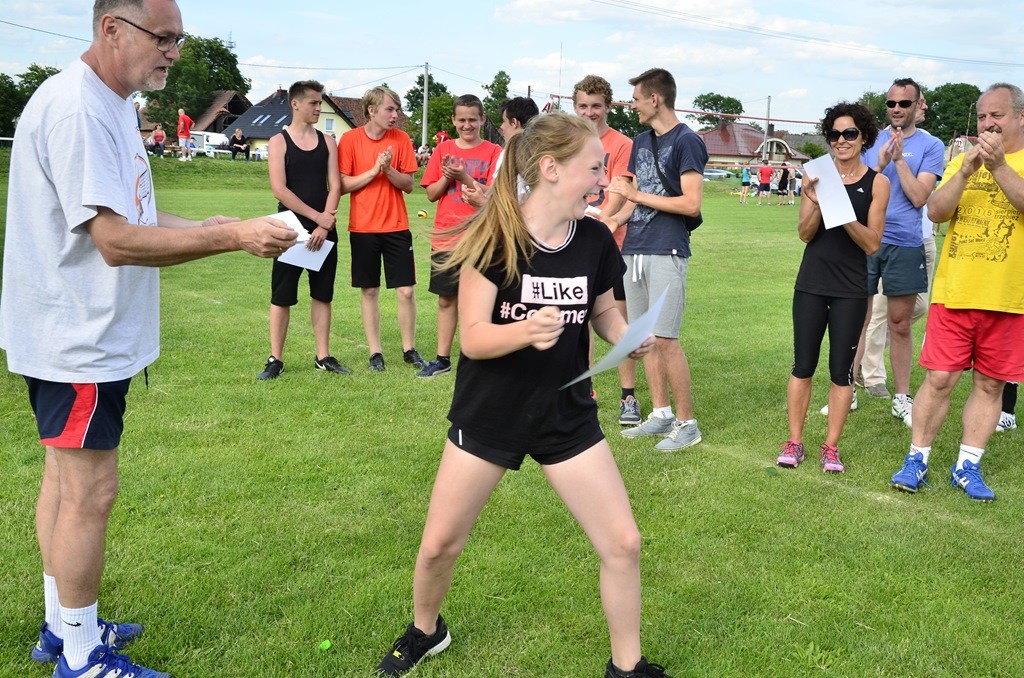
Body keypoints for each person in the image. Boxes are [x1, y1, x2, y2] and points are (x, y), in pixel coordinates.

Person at [0, 2, 297, 677]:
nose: (174, 52)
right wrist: (232, 237)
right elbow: (114, 240)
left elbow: (128, 208)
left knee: (64, 482)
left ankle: (62, 628)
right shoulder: (79, 108)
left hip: (79, 330)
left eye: (179, 39)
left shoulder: (110, 103)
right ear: (112, 29)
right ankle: (82, 657)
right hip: (78, 336)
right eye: (163, 38)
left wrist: (204, 225)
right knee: (88, 491)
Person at [374, 111, 669, 678]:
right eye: (594, 168)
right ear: (552, 168)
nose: (603, 180)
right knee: (439, 546)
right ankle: (426, 631)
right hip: (492, 414)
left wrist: (626, 336)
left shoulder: (594, 238)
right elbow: (475, 338)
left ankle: (627, 667)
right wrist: (526, 330)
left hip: (566, 415)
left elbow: (604, 311)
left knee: (623, 543)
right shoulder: (495, 236)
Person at [891, 83, 1024, 501]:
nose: (988, 124)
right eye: (982, 117)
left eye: (997, 115)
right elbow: (935, 210)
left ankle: (968, 466)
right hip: (955, 291)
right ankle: (917, 458)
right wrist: (967, 171)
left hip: (1008, 297)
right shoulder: (961, 162)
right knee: (939, 379)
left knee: (990, 385)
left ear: (1020, 117)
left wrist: (998, 167)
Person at [776, 102, 888, 472]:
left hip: (851, 289)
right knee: (802, 365)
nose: (841, 140)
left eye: (849, 133)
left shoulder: (878, 183)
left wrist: (841, 210)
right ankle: (795, 442)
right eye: (835, 134)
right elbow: (804, 234)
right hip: (811, 284)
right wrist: (818, 203)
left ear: (864, 136)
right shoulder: (816, 174)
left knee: (842, 371)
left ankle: (831, 447)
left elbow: (872, 243)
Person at [608, 67, 708, 451]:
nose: (631, 105)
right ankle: (661, 413)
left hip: (667, 248)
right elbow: (633, 198)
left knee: (666, 339)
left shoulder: (688, 141)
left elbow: (691, 203)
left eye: (635, 99)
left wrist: (635, 197)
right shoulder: (640, 141)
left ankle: (687, 424)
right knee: (643, 338)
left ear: (655, 98)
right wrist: (611, 220)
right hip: (634, 248)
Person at [851, 78, 945, 427]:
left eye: (904, 103)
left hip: (905, 242)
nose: (896, 109)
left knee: (900, 323)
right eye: (891, 103)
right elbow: (856, 193)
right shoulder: (868, 140)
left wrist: (899, 161)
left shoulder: (931, 145)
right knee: (856, 319)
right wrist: (877, 165)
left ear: (917, 105)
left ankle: (902, 398)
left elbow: (920, 197)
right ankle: (847, 388)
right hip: (866, 240)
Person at [257, 80, 348, 380]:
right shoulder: (278, 142)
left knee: (323, 295)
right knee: (281, 295)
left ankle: (323, 356)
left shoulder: (328, 142)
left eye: (320, 103)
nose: (319, 108)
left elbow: (335, 185)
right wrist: (317, 218)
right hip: (289, 229)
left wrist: (325, 221)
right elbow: (280, 189)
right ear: (295, 104)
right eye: (314, 103)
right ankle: (276, 359)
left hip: (325, 230)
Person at [338, 86, 426, 372]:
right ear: (372, 110)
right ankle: (375, 352)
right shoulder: (350, 140)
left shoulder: (401, 140)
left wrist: (388, 170)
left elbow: (409, 185)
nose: (395, 115)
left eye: (397, 110)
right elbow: (343, 185)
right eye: (390, 109)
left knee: (406, 291)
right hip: (363, 228)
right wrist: (374, 170)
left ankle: (409, 349)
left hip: (397, 226)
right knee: (369, 291)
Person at [572, 74, 642, 425]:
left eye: (596, 106)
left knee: (617, 318)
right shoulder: (569, 141)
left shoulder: (622, 143)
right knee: (579, 320)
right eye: (583, 106)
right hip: (572, 241)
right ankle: (585, 390)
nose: (589, 112)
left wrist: (599, 223)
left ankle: (628, 395)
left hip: (610, 243)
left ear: (608, 107)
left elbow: (617, 191)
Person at [417, 94, 501, 378]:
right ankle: (442, 359)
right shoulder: (444, 149)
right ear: (453, 120)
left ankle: (483, 356)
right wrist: (447, 175)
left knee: (483, 301)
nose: (467, 125)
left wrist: (464, 176)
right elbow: (431, 194)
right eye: (461, 120)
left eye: (472, 120)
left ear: (482, 119)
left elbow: (494, 194)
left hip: (482, 237)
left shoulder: (494, 151)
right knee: (446, 299)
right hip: (446, 237)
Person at [462, 96, 539, 210]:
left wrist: (481, 202)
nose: (501, 127)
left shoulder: (510, 154)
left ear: (514, 122)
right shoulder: (544, 153)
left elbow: (515, 206)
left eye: (504, 121)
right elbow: (494, 191)